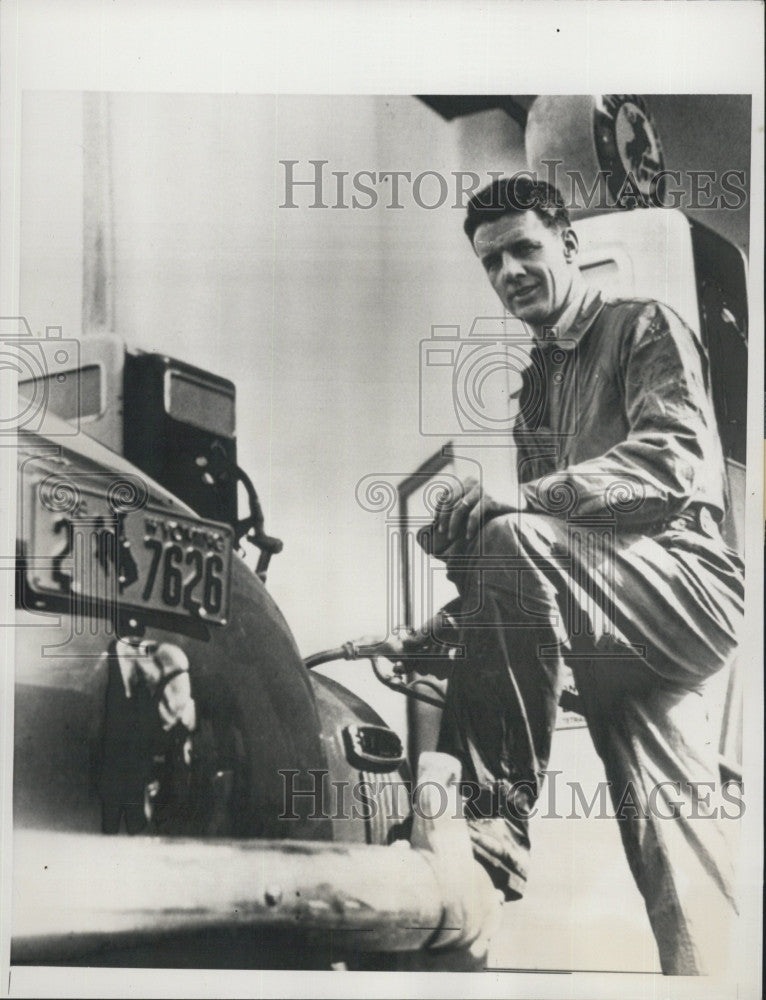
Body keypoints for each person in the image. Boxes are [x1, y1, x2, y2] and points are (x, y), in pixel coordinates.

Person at [416, 175, 744, 975]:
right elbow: (539, 572)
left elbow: (666, 465)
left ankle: (491, 832)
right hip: (614, 621)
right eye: (493, 263)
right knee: (676, 853)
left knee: (513, 532)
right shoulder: (534, 393)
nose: (511, 273)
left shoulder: (643, 326)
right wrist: (449, 627)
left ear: (568, 245)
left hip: (683, 584)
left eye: (526, 248)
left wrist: (512, 503)